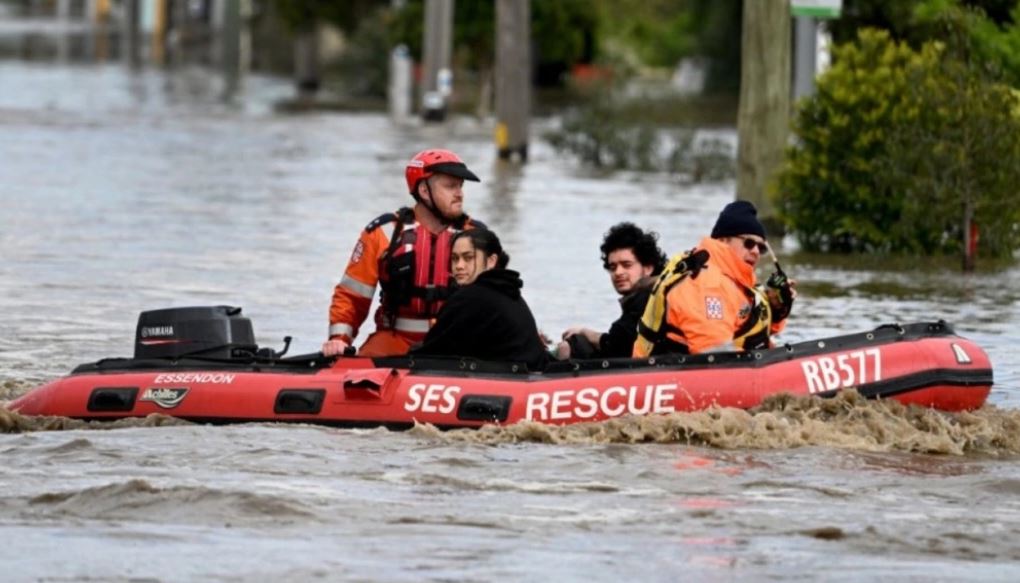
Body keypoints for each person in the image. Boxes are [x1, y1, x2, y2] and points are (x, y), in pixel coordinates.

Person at [323, 149, 485, 357]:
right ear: (425, 191)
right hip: (395, 339)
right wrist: (339, 340)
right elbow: (352, 295)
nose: (460, 193)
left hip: (455, 340)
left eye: (460, 187)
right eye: (450, 186)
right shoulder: (383, 232)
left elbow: (501, 296)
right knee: (357, 375)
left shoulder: (476, 236)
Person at [633, 200, 796, 357]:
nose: (755, 251)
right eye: (749, 243)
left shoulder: (733, 281)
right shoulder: (708, 285)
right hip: (668, 374)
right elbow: (715, 355)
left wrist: (777, 308)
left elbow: (749, 323)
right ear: (723, 240)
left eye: (761, 247)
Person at [411, 229, 548, 371]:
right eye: (455, 258)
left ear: (491, 261)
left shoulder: (469, 298)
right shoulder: (509, 292)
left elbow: (432, 354)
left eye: (468, 258)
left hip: (510, 381)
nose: (459, 266)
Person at [556, 222, 667, 359]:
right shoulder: (653, 293)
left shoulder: (646, 299)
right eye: (613, 267)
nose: (618, 272)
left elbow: (617, 343)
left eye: (627, 265)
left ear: (648, 268)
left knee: (572, 345)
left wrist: (585, 333)